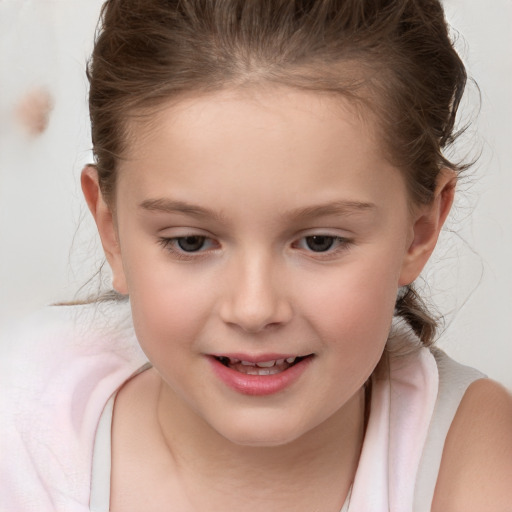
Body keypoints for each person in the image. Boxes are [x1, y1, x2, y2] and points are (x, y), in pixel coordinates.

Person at [1, 0, 511, 511]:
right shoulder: (21, 422)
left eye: (319, 242)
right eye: (191, 242)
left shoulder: (467, 453)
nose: (254, 308)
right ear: (111, 231)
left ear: (419, 230)